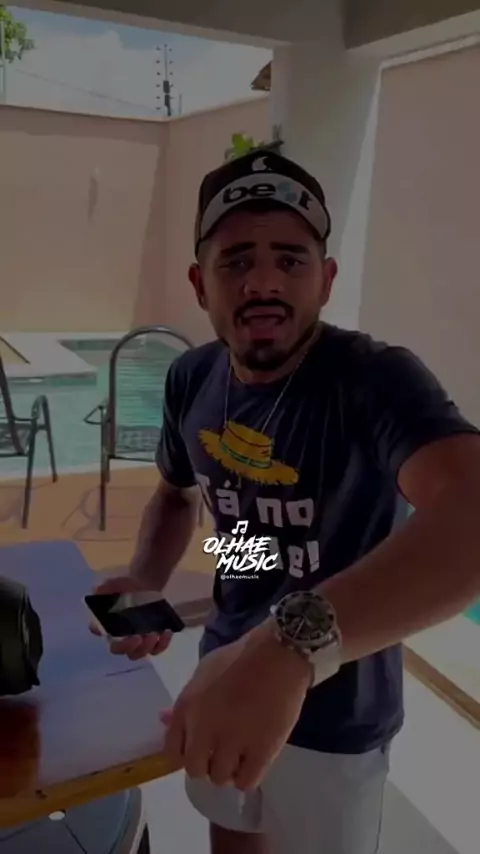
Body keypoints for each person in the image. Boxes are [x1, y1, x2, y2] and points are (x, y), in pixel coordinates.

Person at [92, 151, 480, 854]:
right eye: (236, 260)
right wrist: (149, 579)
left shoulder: (374, 380)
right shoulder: (192, 378)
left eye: (291, 260)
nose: (263, 282)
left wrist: (290, 647)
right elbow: (181, 500)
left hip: (337, 716)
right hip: (219, 678)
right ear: (199, 283)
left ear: (326, 279)